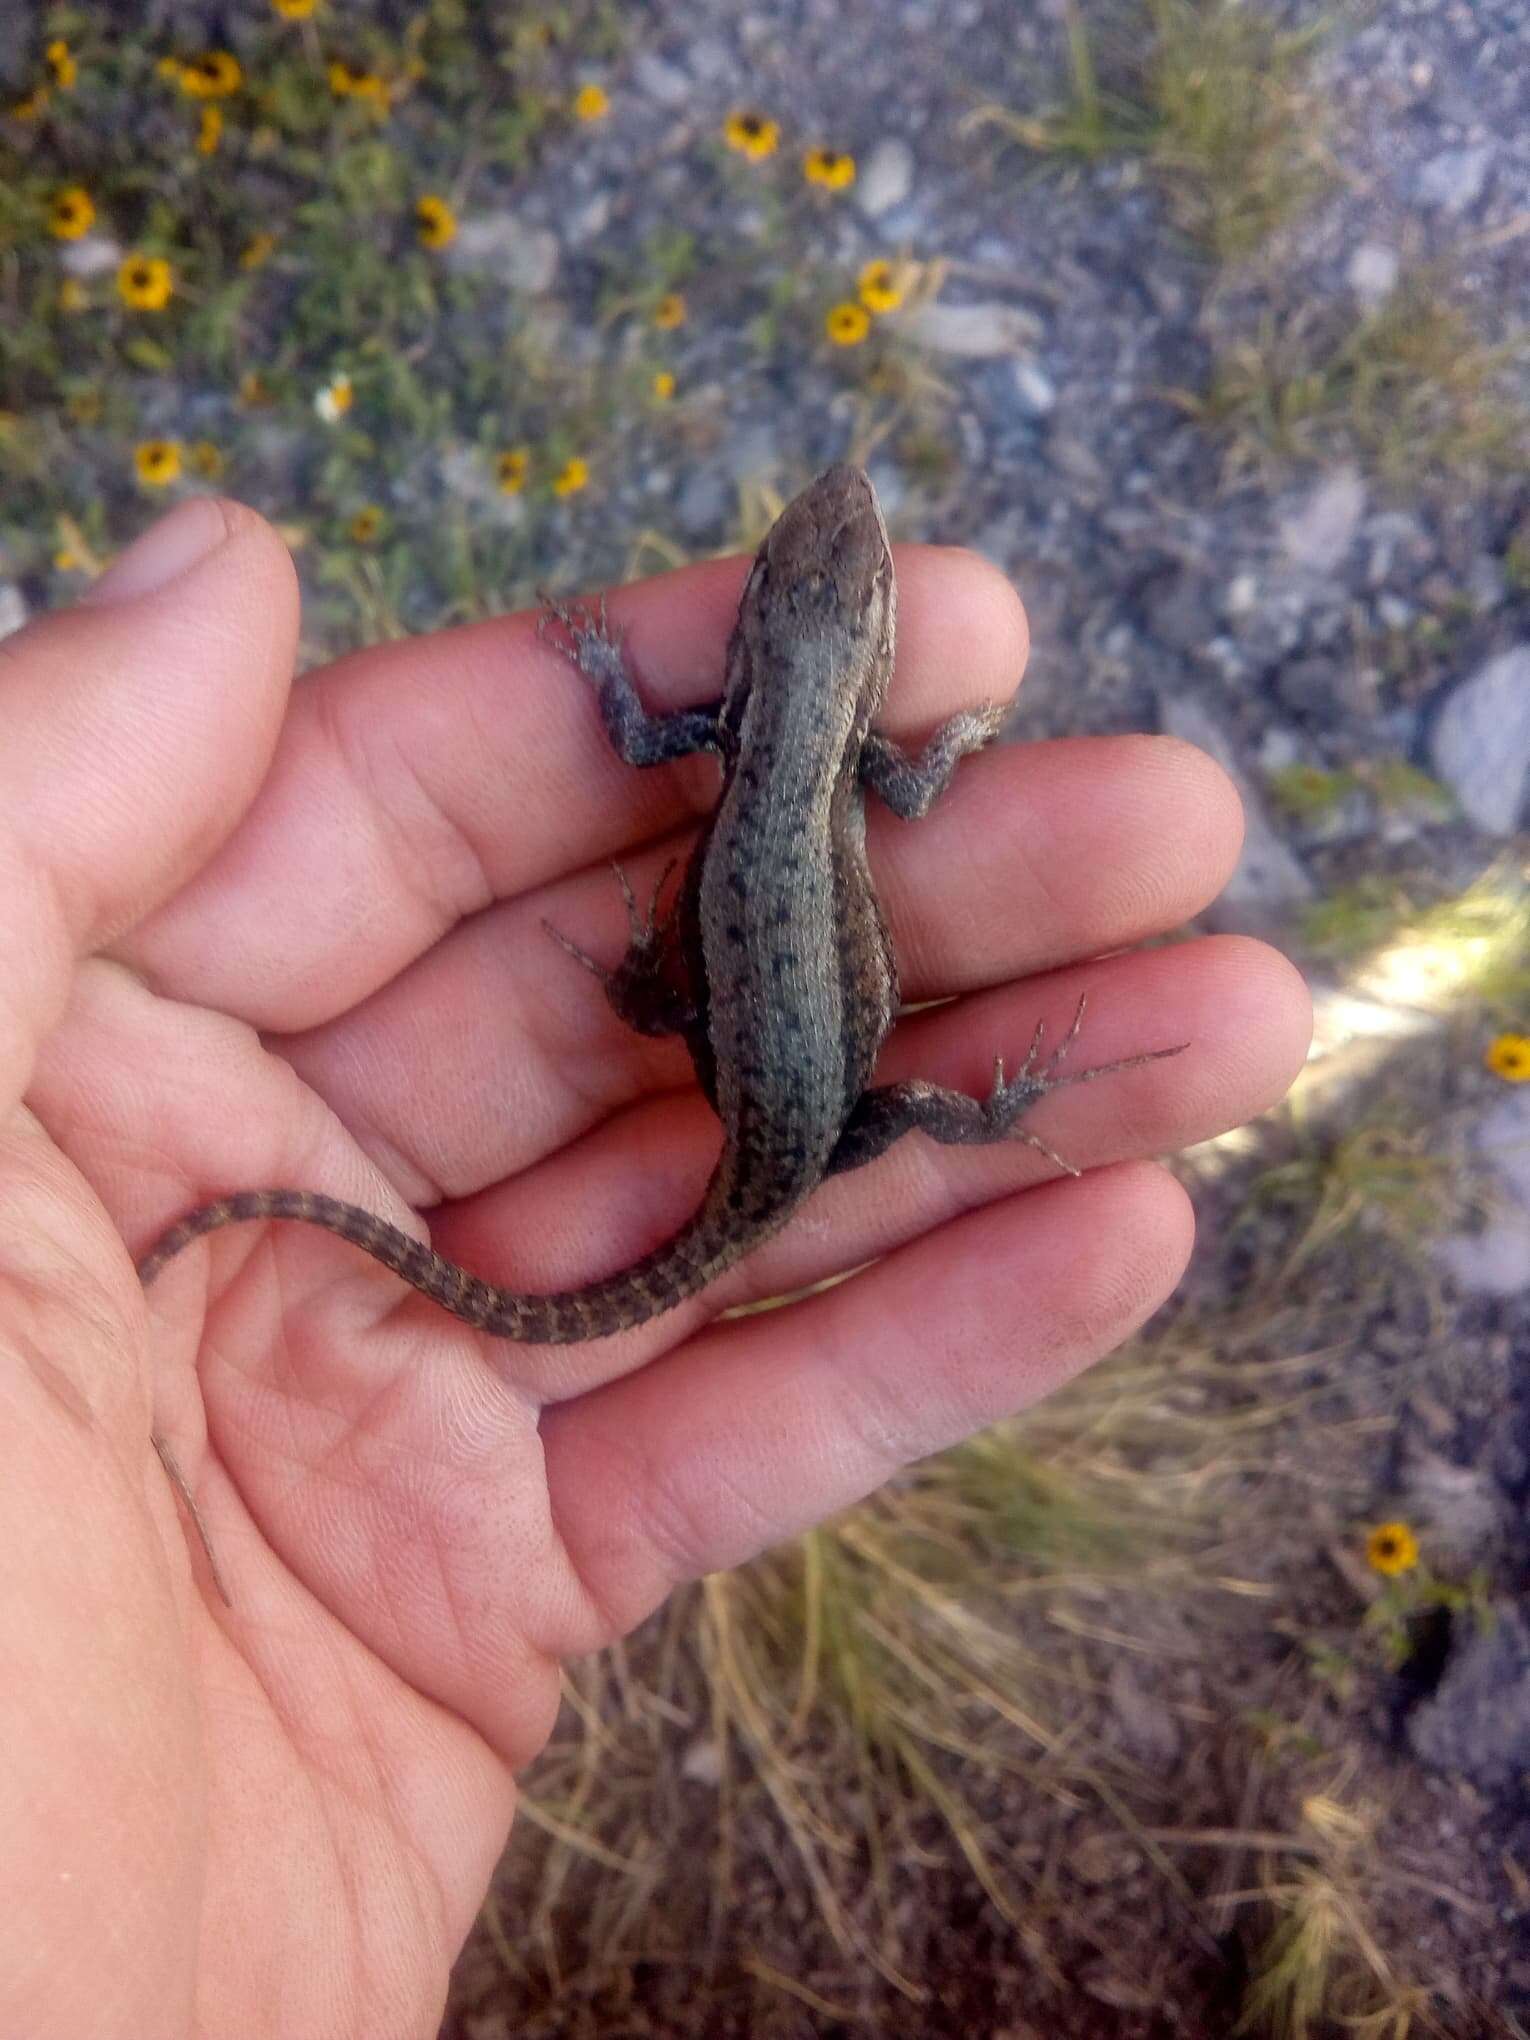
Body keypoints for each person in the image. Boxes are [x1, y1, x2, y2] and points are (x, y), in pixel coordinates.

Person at [1, 496, 1309, 2035]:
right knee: (910, 1108)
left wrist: (610, 693)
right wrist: (957, 753)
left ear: (761, 670)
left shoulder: (740, 743)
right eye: (847, 593)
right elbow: (913, 774)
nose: (848, 558)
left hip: (772, 1099)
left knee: (798, 1059)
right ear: (853, 660)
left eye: (845, 585)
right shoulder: (851, 763)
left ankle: (743, 1033)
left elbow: (636, 741)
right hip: (810, 1114)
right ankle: (976, 1109)